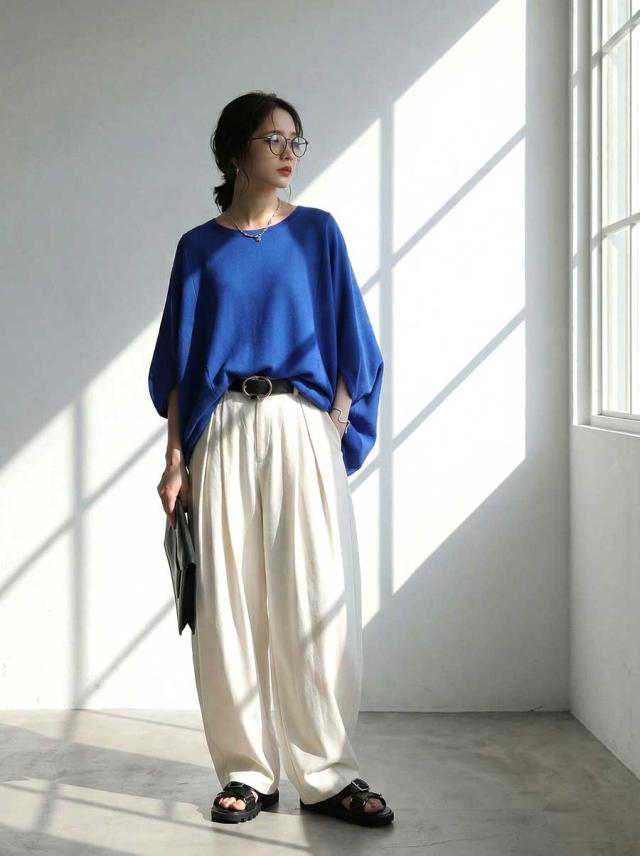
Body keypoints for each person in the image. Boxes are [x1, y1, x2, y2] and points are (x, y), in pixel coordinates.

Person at [148, 91, 393, 827]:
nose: (289, 153)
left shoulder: (317, 233)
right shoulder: (198, 248)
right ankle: (247, 772)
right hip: (221, 428)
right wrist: (176, 460)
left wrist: (336, 428)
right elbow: (181, 370)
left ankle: (329, 773)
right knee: (226, 606)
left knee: (316, 599)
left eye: (295, 140)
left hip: (299, 421)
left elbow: (354, 343)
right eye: (273, 139)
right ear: (236, 153)